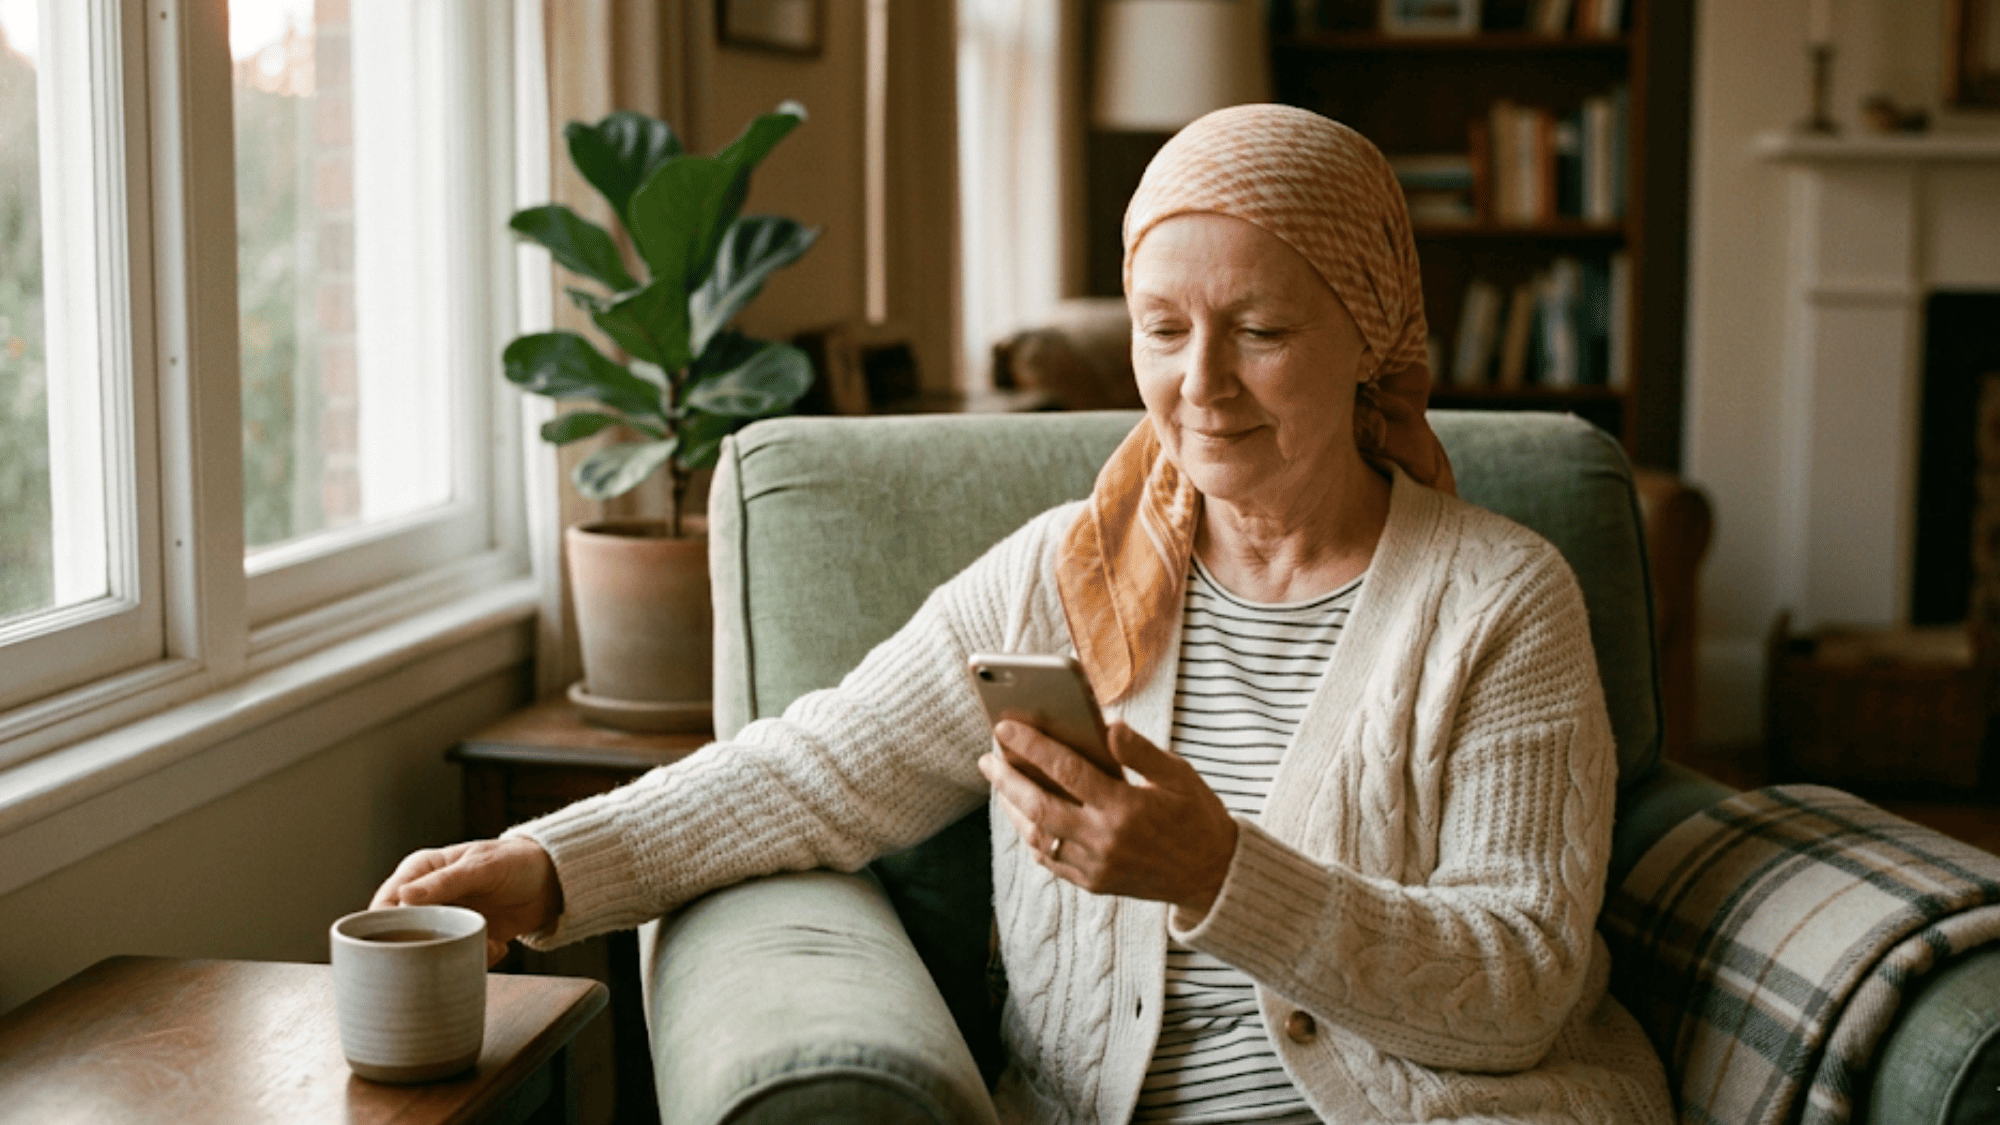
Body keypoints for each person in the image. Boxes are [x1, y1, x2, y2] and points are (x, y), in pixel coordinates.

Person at [374, 104, 1672, 1123]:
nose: (1199, 385)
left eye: (1261, 329)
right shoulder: (1067, 571)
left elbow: (1519, 983)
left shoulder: (1500, 600)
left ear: (1371, 335)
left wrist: (1218, 876)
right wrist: (548, 869)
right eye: (1162, 328)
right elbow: (820, 770)